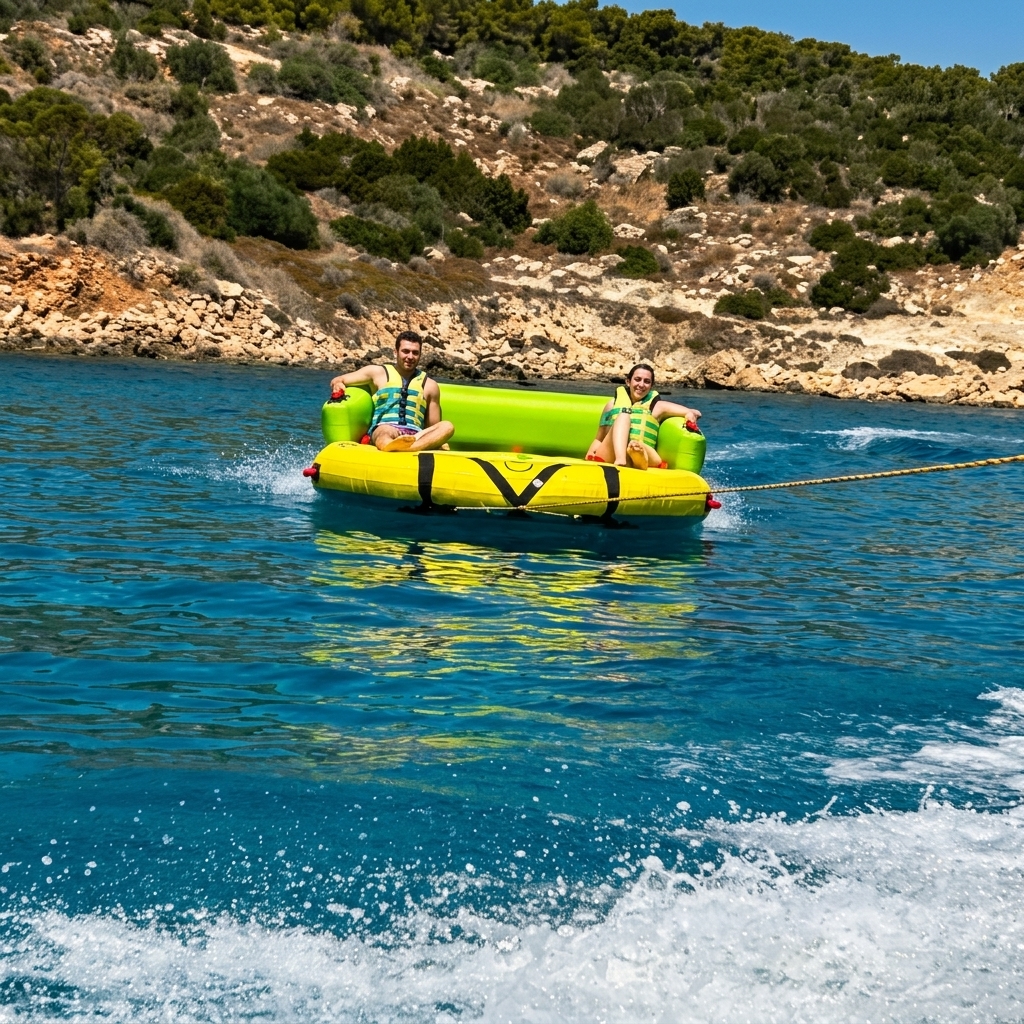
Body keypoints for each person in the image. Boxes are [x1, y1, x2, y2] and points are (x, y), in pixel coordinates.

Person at [329, 331, 454, 452]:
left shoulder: (430, 385)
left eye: (415, 353)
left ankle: (408, 448)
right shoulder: (376, 373)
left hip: (416, 436)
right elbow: (339, 379)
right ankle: (395, 446)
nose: (410, 357)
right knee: (384, 432)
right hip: (386, 428)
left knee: (447, 426)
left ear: (420, 355)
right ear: (396, 352)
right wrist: (338, 384)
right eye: (405, 351)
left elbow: (432, 426)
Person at [586, 363, 701, 470]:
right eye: (637, 379)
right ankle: (622, 459)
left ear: (651, 386)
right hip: (612, 454)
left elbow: (695, 412)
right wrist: (590, 455)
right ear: (628, 381)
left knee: (636, 446)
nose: (641, 385)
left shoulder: (658, 407)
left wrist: (690, 415)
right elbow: (599, 438)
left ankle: (637, 456)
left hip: (644, 450)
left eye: (647, 381)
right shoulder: (612, 405)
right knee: (623, 416)